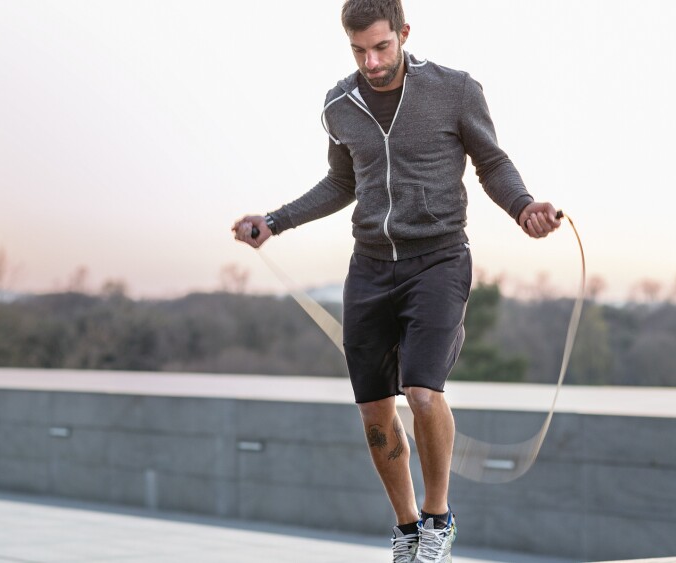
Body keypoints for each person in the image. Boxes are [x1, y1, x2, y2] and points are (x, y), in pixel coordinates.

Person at [231, 1, 560, 562]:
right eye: (359, 50)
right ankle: (407, 530)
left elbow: (493, 164)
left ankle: (438, 519)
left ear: (403, 33)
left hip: (438, 259)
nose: (371, 61)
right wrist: (276, 220)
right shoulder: (340, 103)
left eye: (381, 46)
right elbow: (341, 182)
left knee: (423, 392)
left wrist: (524, 207)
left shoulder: (454, 90)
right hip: (370, 266)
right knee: (375, 409)